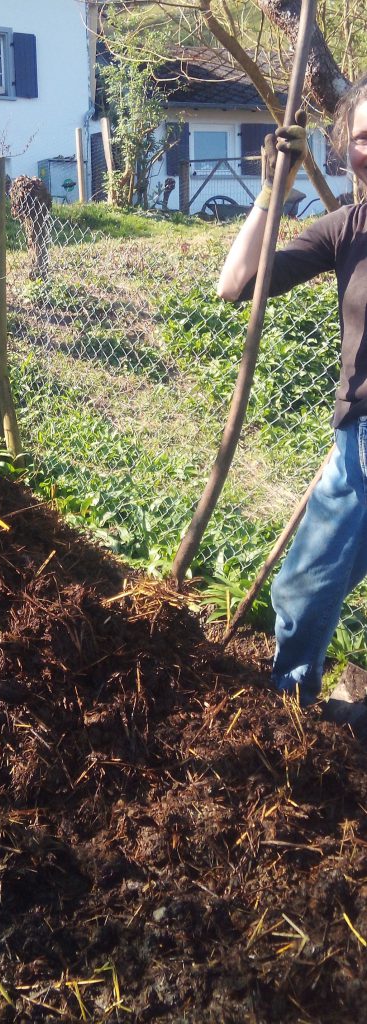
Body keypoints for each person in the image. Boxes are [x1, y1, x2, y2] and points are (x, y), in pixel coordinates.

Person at [216, 75, 367, 722]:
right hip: (360, 440)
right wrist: (271, 195)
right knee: (305, 586)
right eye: (363, 136)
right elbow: (236, 285)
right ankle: (291, 718)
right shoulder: (345, 230)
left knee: (307, 583)